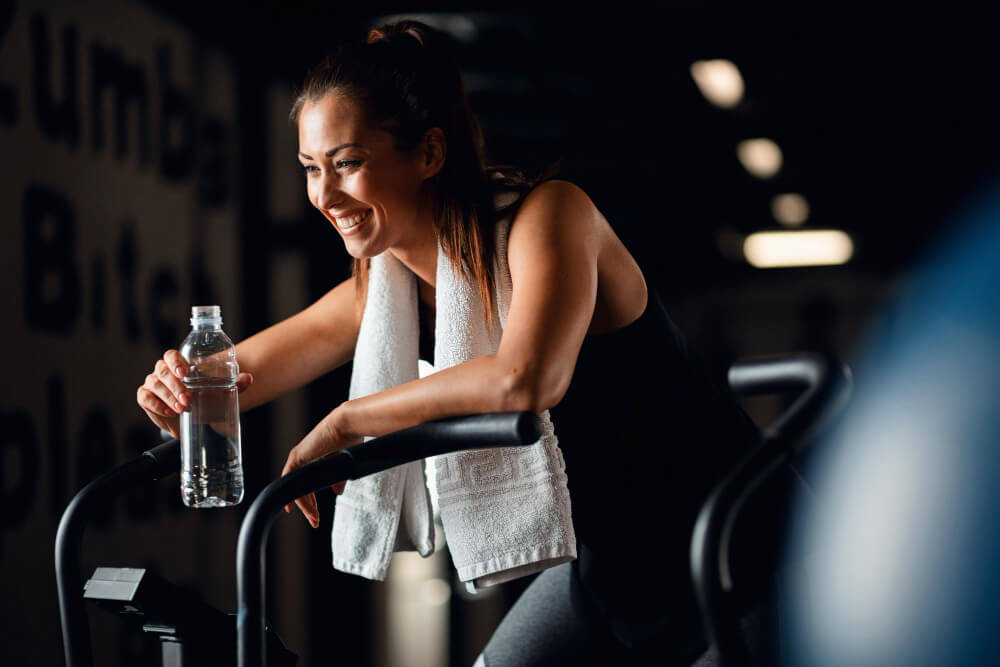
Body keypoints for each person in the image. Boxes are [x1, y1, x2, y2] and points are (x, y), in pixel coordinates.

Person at [136, 18, 759, 666]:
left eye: (348, 164)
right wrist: (177, 385)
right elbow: (239, 375)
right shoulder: (383, 292)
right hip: (613, 573)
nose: (324, 195)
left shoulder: (550, 216)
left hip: (741, 546)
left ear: (429, 153)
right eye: (309, 168)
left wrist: (351, 419)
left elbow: (525, 379)